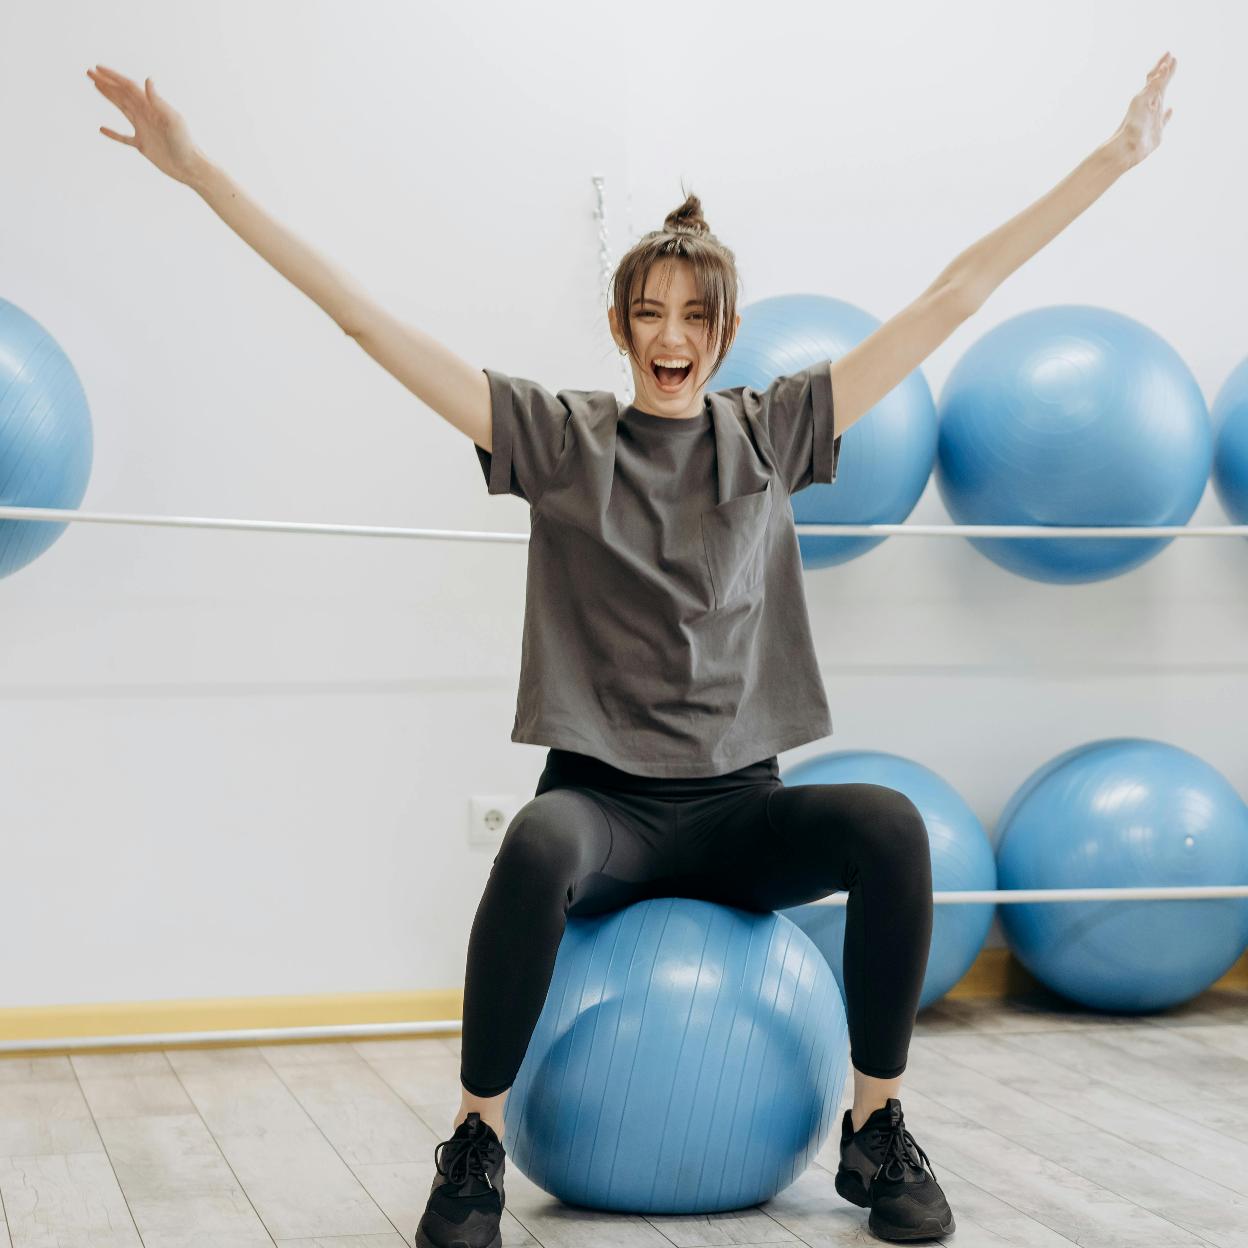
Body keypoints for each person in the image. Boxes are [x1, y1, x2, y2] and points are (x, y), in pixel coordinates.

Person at [87, 51, 1175, 1246]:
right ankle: (475, 1146)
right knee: (537, 838)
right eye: (649, 313)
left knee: (888, 825)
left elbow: (953, 296)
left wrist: (1112, 160)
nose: (672, 336)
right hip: (605, 809)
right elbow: (360, 317)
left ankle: (875, 1128)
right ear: (619, 325)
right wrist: (197, 174)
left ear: (725, 331)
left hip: (740, 812)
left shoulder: (773, 434)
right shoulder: (560, 440)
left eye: (695, 316)